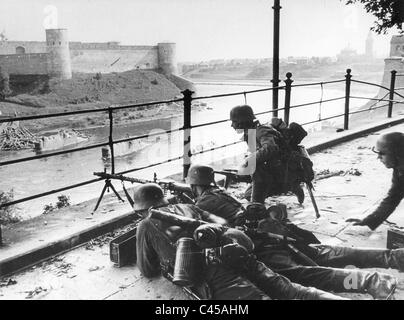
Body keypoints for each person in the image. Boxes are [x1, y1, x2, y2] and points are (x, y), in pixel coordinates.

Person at [187, 164, 401, 299]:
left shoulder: (203, 202)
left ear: (194, 185)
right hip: (275, 230)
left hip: (261, 243)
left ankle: (372, 282)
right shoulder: (221, 193)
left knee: (306, 274)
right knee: (322, 253)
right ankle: (393, 258)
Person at [134, 183, 346, 300]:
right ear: (163, 199)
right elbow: (224, 223)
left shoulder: (145, 224)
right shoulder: (187, 207)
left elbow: (147, 269)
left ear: (141, 209)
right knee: (293, 291)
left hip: (216, 276)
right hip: (238, 253)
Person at [229, 105, 308, 204]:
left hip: (279, 171)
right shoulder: (253, 131)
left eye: (234, 121)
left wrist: (249, 160)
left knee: (254, 199)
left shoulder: (261, 131)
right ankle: (293, 186)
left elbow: (271, 148)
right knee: (248, 193)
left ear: (242, 121)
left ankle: (260, 207)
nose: (232, 125)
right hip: (276, 169)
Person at [347, 132, 404, 230]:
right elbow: (393, 198)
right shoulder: (399, 168)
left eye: (382, 153)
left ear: (397, 153)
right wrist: (370, 219)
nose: (378, 157)